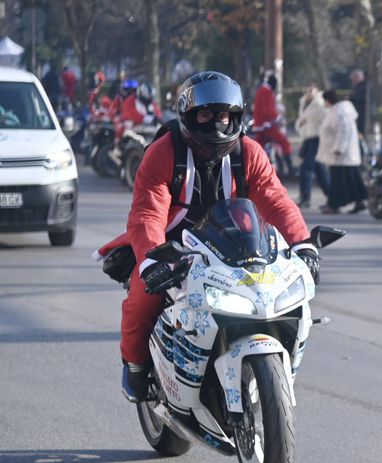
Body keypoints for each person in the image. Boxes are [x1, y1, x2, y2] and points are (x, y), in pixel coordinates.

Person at [107, 71, 315, 401]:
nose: (217, 125)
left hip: (235, 245)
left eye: (224, 116)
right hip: (173, 248)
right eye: (206, 115)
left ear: (237, 117)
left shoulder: (250, 152)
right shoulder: (162, 152)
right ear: (189, 116)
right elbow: (148, 211)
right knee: (141, 295)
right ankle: (134, 365)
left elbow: (274, 197)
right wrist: (151, 258)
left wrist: (303, 243)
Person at [317, 88, 366, 214]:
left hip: (341, 153)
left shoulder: (340, 112)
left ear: (327, 101)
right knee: (351, 179)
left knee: (338, 181)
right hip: (345, 154)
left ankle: (334, 205)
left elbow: (344, 131)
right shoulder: (340, 110)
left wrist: (339, 148)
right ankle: (358, 202)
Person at [252, 71, 294, 174]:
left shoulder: (261, 90)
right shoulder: (267, 91)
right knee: (284, 142)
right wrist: (279, 118)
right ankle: (290, 167)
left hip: (259, 125)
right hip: (267, 125)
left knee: (258, 148)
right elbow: (268, 110)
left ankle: (254, 167)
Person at [295, 85, 329, 209]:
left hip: (316, 138)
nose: (308, 93)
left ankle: (305, 197)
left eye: (311, 90)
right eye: (307, 90)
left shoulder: (319, 104)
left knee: (306, 168)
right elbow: (301, 120)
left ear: (317, 91)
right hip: (307, 139)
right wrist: (301, 124)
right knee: (320, 170)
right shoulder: (303, 103)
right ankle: (331, 196)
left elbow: (326, 121)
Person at [348, 69, 368, 136]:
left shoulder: (365, 86)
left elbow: (360, 98)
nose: (353, 81)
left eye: (353, 79)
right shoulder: (358, 86)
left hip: (363, 112)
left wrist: (351, 98)